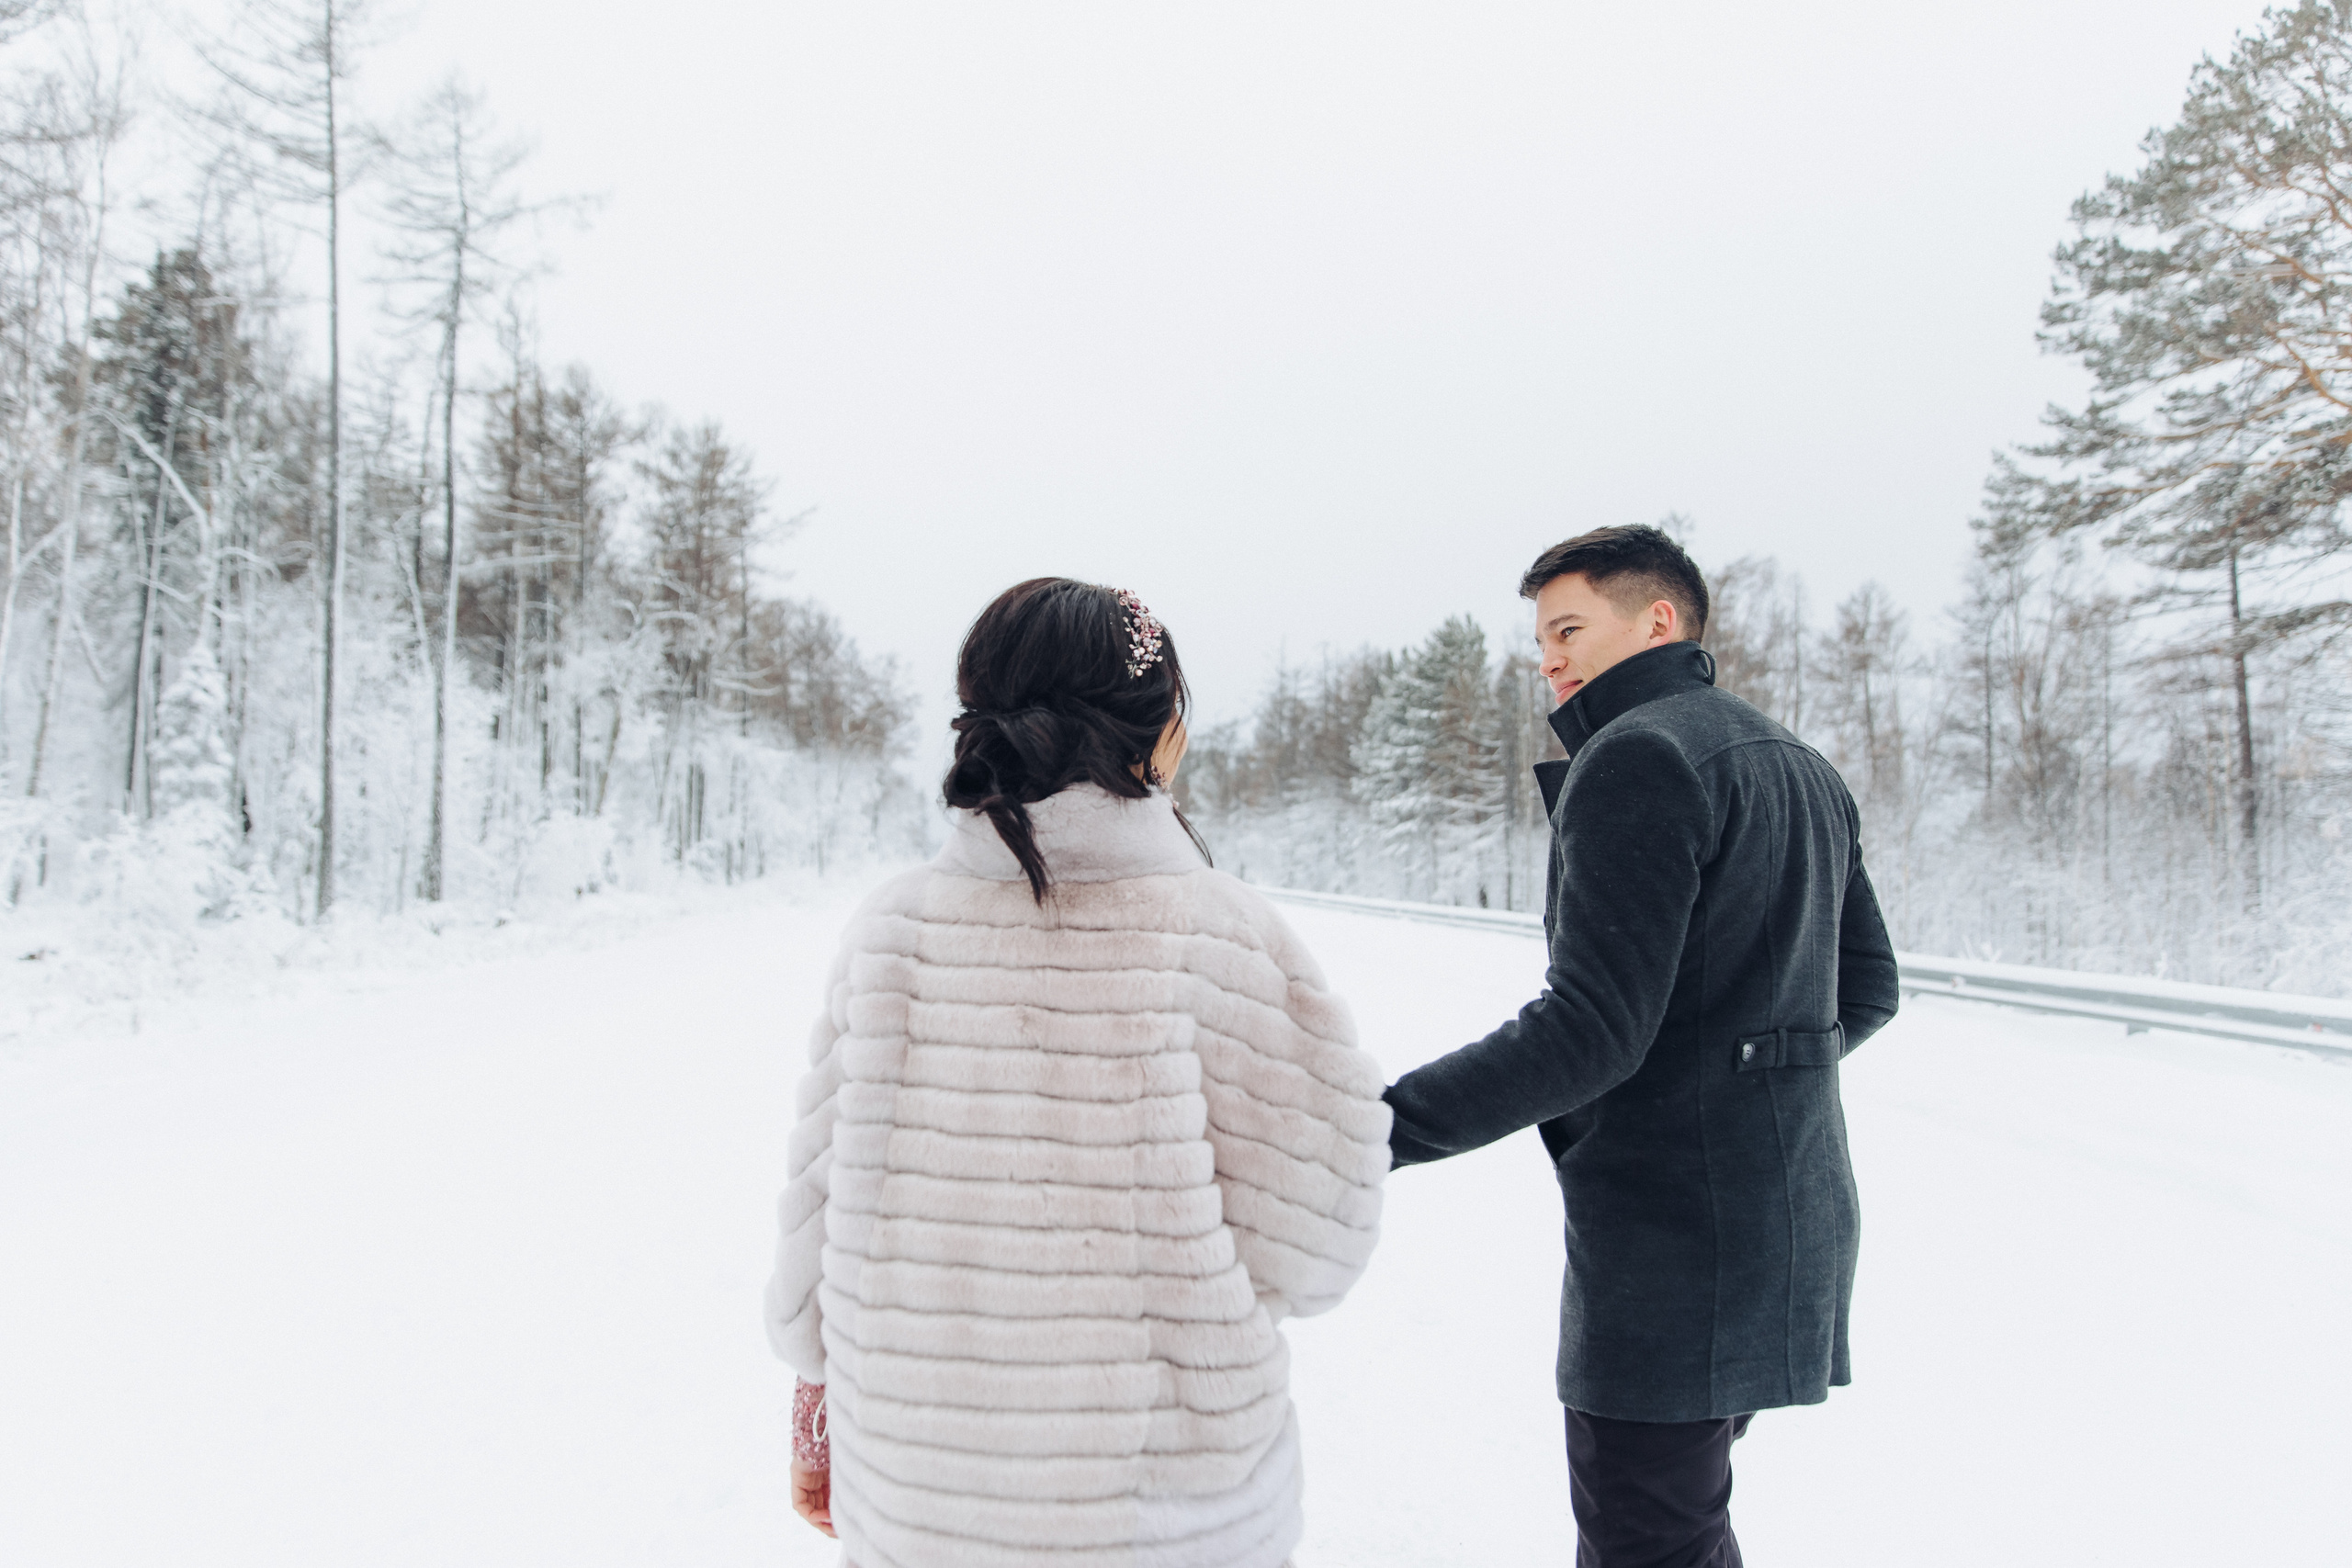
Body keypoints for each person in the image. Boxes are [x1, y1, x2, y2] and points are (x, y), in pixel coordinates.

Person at [764, 577, 1390, 1568]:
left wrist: (814, 1396)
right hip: (1162, 1514)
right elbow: (1315, 1253)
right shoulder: (1221, 934)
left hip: (919, 1501)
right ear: (1159, 729)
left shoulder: (891, 931)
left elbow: (818, 1209)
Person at [1381, 525, 1901, 1568]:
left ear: (1657, 618)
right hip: (1783, 1213)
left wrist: (1371, 1125)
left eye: (1568, 627)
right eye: (1539, 638)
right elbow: (1867, 990)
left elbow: (1588, 1031)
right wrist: (1744, 1088)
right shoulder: (1795, 760)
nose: (1548, 658)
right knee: (1675, 1528)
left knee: (1647, 1541)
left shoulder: (1636, 758)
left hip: (1671, 1243)